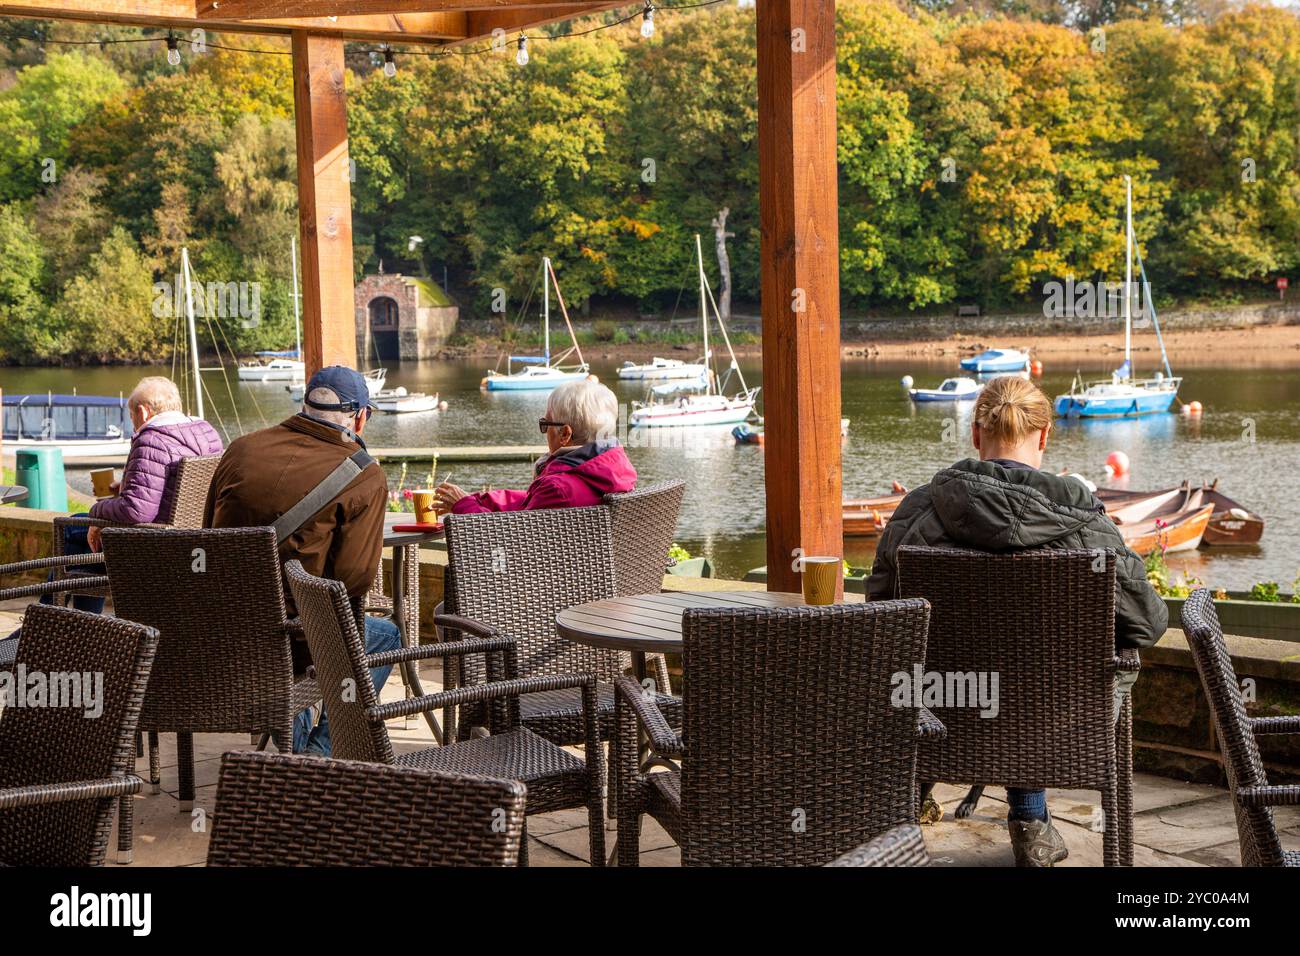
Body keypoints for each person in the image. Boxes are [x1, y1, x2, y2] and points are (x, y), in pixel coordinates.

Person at [866, 374, 1166, 867]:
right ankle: (1029, 818)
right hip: (1060, 720)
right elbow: (1147, 624)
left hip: (942, 710)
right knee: (1035, 677)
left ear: (975, 435)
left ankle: (913, 795)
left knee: (952, 673)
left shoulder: (918, 511)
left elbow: (881, 617)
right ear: (1045, 437)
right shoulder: (1085, 525)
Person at [203, 365, 399, 756]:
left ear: (305, 405)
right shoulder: (364, 475)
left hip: (218, 629)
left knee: (290, 636)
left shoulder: (241, 448)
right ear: (361, 416)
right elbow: (353, 583)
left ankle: (292, 735)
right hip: (294, 637)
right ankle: (319, 753)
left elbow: (208, 533)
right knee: (385, 635)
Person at [435, 378, 635, 514]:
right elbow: (529, 504)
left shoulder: (556, 489)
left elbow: (504, 543)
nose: (545, 431)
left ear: (565, 433)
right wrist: (481, 500)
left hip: (547, 576)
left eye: (545, 424)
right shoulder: (614, 473)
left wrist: (464, 505)